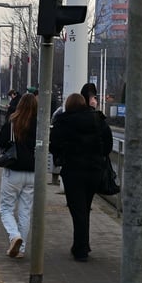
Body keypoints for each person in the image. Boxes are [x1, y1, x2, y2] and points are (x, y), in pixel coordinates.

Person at [49, 92, 113, 262]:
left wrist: (61, 154)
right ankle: (82, 245)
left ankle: (81, 249)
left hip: (73, 171)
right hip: (95, 171)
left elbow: (53, 145)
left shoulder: (64, 121)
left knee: (77, 210)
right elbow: (108, 145)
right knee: (85, 207)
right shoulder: (98, 120)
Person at [0, 93, 37, 258]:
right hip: (33, 173)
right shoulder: (39, 124)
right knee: (25, 211)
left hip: (14, 171)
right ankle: (22, 248)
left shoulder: (13, 123)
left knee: (6, 208)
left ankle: (14, 236)